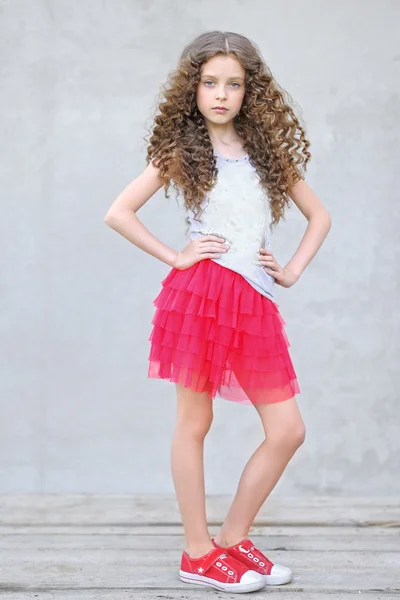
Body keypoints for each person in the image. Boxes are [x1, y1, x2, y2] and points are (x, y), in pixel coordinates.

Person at [104, 30, 331, 594]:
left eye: (234, 83)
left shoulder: (267, 154)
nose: (221, 94)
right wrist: (176, 255)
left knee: (287, 429)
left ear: (251, 91)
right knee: (195, 423)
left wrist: (292, 269)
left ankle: (232, 539)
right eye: (210, 83)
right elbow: (119, 212)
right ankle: (197, 551)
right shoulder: (183, 152)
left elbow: (320, 217)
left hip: (253, 299)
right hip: (201, 294)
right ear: (193, 88)